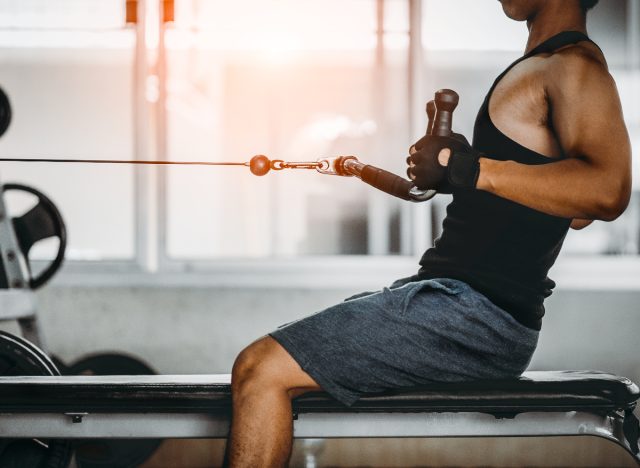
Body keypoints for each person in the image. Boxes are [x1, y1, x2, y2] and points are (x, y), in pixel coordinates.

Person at [224, 0, 632, 466]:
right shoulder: (545, 66)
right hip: (460, 303)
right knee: (281, 371)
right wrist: (461, 173)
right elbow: (571, 210)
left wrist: (469, 168)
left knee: (260, 369)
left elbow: (606, 191)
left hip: (474, 313)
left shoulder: (572, 65)